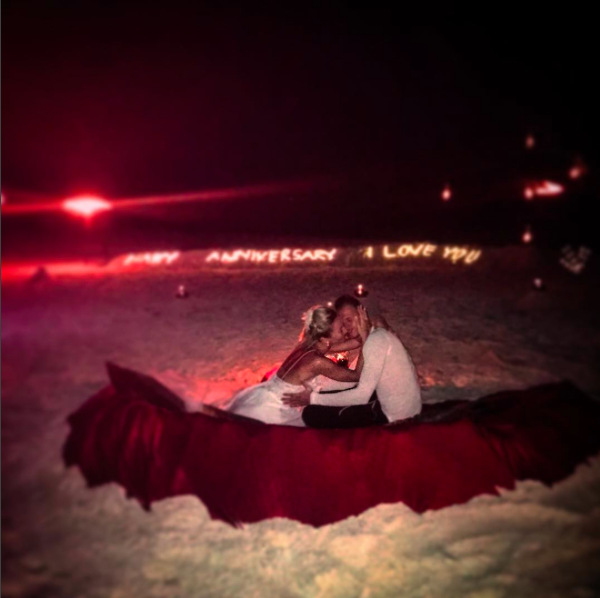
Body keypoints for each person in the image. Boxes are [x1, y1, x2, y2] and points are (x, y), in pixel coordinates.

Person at [282, 295, 422, 427]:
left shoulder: (375, 340)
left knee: (311, 414)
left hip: (395, 415)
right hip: (398, 404)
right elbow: (356, 380)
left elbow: (361, 395)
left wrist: (312, 398)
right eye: (343, 324)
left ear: (362, 313)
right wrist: (317, 390)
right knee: (323, 399)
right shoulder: (373, 335)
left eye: (349, 320)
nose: (347, 327)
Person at [226, 306, 364, 426]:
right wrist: (368, 346)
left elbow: (355, 343)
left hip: (263, 394)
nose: (345, 330)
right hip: (274, 408)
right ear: (324, 338)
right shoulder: (317, 361)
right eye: (341, 329)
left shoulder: (309, 344)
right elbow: (356, 376)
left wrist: (364, 331)